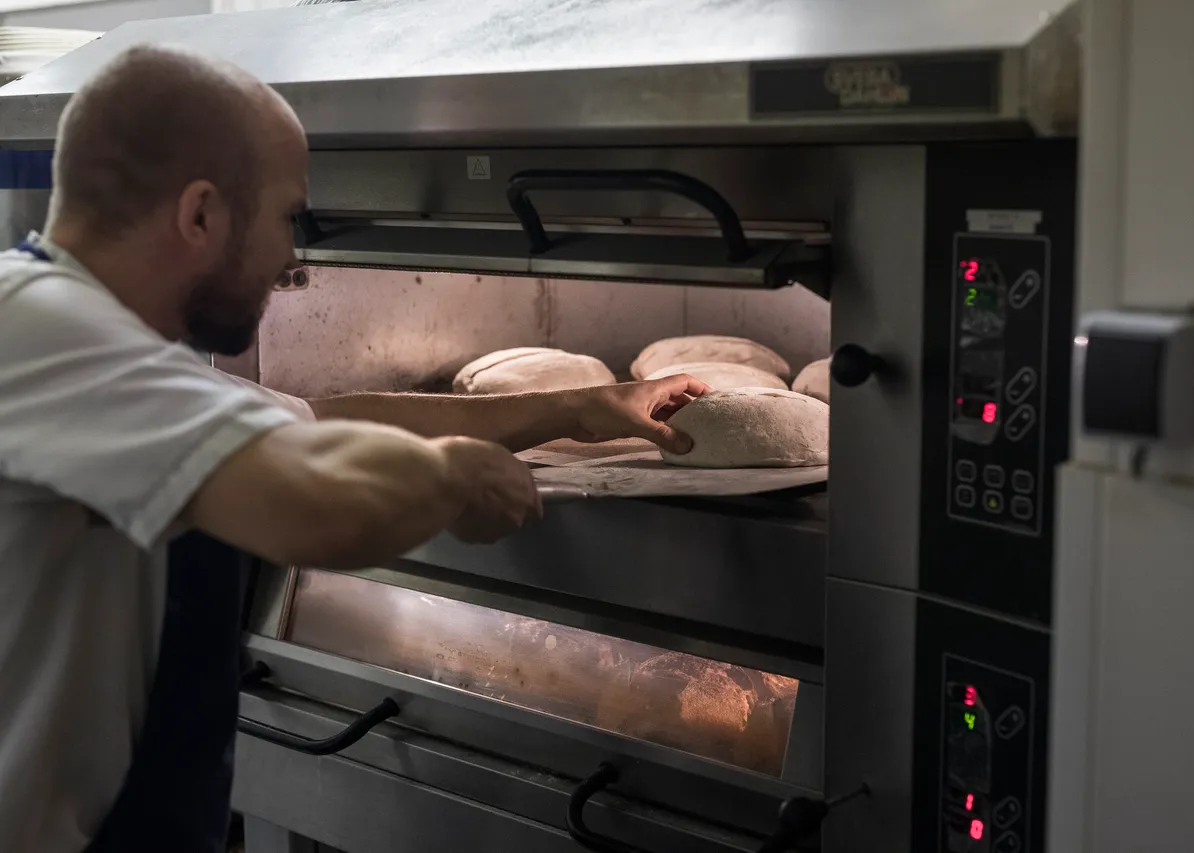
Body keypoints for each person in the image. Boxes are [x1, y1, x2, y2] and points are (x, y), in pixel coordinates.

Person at [0, 44, 709, 853]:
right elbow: (311, 499)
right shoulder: (45, 336)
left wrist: (579, 408)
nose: (290, 259)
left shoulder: (90, 342)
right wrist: (452, 476)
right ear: (200, 215)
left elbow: (321, 422)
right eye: (285, 218)